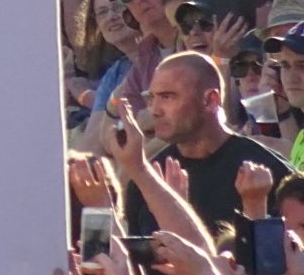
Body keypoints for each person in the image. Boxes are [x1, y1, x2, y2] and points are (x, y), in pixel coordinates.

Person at [124, 52, 292, 235]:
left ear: (210, 100)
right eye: (151, 99)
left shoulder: (268, 174)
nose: (155, 111)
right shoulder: (149, 179)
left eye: (167, 97)